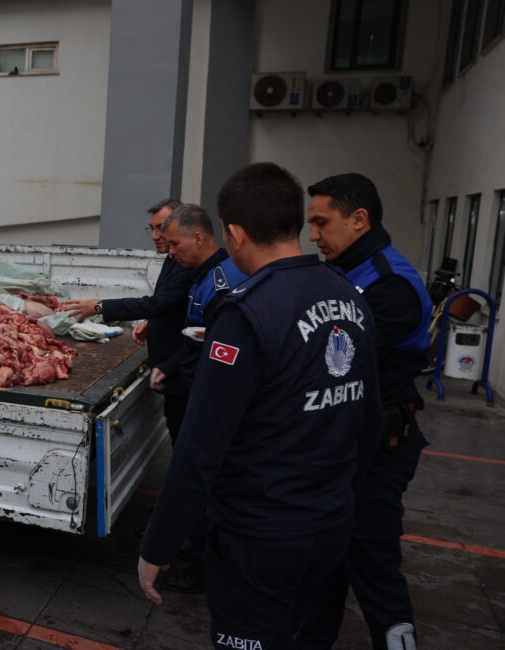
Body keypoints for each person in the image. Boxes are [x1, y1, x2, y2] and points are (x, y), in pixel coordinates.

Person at [136, 162, 383, 650]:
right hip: (329, 523)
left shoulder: (246, 312)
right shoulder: (349, 295)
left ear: (234, 234)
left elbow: (200, 445)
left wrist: (159, 545)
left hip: (261, 536)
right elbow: (368, 418)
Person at [298, 173, 433, 650]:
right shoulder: (346, 271)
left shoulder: (388, 284)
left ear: (359, 219)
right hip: (345, 446)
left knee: (372, 565)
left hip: (378, 452)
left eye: (321, 222)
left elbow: (338, 368)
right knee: (327, 561)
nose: (313, 235)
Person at [60, 198, 196, 442]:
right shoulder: (173, 258)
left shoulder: (187, 263)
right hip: (172, 371)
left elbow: (160, 303)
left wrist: (100, 306)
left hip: (182, 372)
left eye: (161, 227)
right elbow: (171, 302)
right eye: (152, 228)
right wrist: (154, 321)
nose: (155, 236)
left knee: (185, 438)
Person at [150, 204, 248, 395]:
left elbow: (222, 355)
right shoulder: (201, 274)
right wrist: (169, 367)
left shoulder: (222, 285)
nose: (171, 252)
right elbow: (197, 338)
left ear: (198, 238)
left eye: (175, 244)